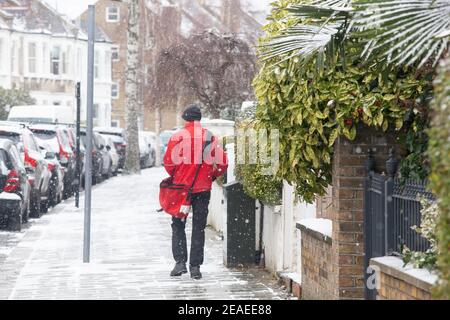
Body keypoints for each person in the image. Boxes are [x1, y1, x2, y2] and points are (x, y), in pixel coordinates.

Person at [163, 104, 228, 280]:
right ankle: (195, 267)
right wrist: (211, 176)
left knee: (178, 224)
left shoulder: (177, 137)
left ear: (185, 118)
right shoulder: (209, 137)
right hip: (202, 189)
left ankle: (180, 263)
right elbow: (223, 163)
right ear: (199, 119)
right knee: (199, 228)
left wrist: (178, 176)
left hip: (181, 190)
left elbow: (168, 163)